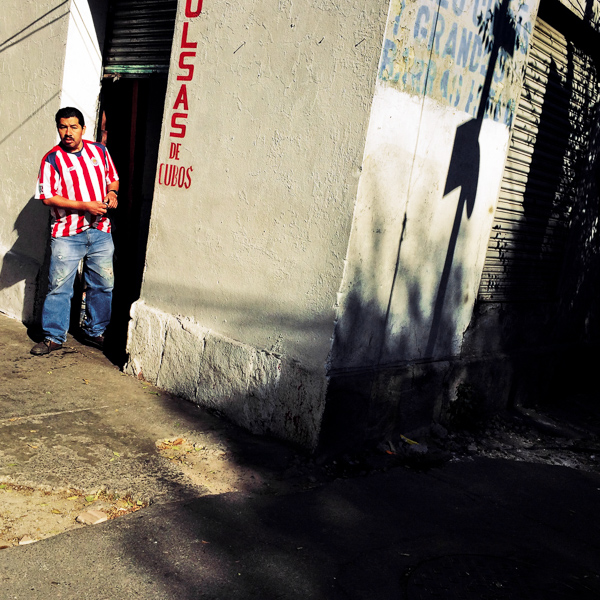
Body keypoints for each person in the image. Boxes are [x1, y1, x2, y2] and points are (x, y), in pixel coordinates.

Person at [30, 107, 119, 355]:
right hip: (67, 233)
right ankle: (54, 336)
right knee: (59, 286)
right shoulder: (52, 158)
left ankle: (95, 332)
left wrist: (112, 193)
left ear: (82, 128)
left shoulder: (99, 151)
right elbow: (47, 197)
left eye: (73, 127)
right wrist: (84, 206)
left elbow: (113, 178)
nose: (67, 132)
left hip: (100, 230)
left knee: (102, 284)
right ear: (58, 128)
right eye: (62, 127)